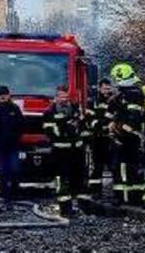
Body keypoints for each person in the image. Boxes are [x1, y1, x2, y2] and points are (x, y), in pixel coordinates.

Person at [40, 84, 87, 215]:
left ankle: (82, 205)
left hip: (77, 150)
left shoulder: (75, 108)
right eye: (61, 96)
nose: (64, 99)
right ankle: (65, 208)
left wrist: (78, 131)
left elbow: (82, 124)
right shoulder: (49, 112)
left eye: (66, 96)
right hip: (60, 152)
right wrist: (66, 128)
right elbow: (50, 132)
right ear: (56, 97)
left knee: (78, 178)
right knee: (62, 180)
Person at [109, 63, 145, 205]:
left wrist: (118, 127)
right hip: (131, 139)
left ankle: (124, 199)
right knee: (133, 169)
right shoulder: (130, 93)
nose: (113, 82)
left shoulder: (132, 94)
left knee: (123, 168)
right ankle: (135, 198)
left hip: (128, 139)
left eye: (115, 79)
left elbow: (133, 118)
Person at [87, 77, 116, 196]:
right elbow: (90, 119)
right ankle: (95, 191)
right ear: (99, 88)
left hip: (112, 138)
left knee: (114, 166)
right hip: (98, 138)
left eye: (108, 89)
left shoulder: (114, 100)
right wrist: (101, 125)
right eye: (104, 89)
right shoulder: (93, 101)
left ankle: (115, 192)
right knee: (97, 166)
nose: (107, 91)